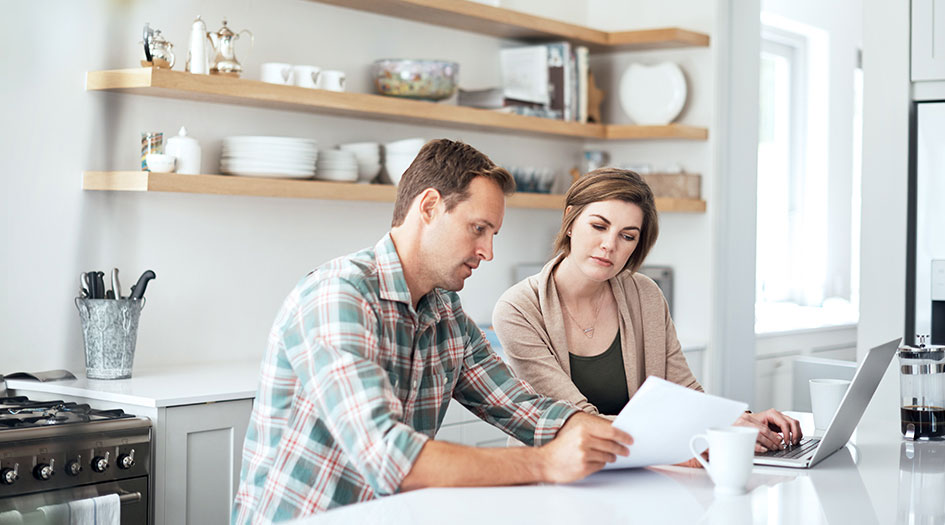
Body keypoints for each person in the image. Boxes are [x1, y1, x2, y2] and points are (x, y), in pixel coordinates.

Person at [232, 140, 633, 523]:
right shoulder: (339, 296)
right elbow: (388, 455)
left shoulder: (445, 313)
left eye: (493, 235)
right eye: (478, 229)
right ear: (428, 207)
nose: (488, 252)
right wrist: (546, 462)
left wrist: (642, 442)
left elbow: (526, 409)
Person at [492, 168, 801, 455]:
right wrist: (712, 428)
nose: (609, 245)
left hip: (637, 464)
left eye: (627, 236)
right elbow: (577, 421)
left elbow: (683, 390)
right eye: (599, 226)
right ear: (570, 220)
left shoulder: (645, 294)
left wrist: (741, 420)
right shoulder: (517, 309)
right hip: (553, 476)